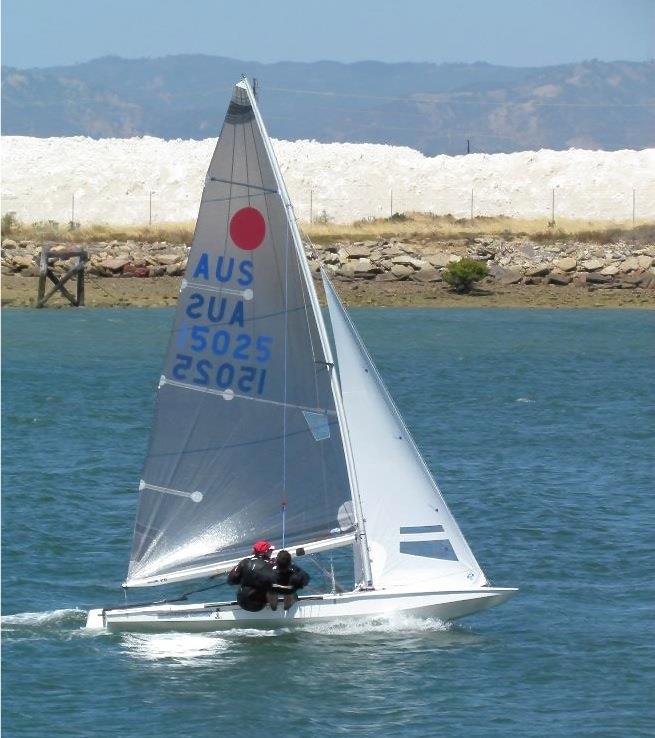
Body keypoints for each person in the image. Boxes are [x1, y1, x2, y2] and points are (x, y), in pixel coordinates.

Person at [227, 540, 278, 612]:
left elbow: (230, 581)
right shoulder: (272, 564)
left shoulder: (244, 562)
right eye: (270, 550)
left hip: (241, 602)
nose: (271, 551)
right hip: (258, 605)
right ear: (266, 551)